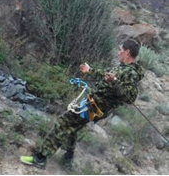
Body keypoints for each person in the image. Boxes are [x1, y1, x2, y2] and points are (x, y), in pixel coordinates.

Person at [20, 39, 145, 168]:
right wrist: (89, 70)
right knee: (73, 127)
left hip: (96, 108)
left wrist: (114, 81)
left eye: (120, 50)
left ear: (127, 52)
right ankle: (67, 161)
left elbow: (130, 98)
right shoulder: (121, 67)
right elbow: (105, 75)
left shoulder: (131, 74)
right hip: (91, 103)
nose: (118, 52)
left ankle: (40, 158)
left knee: (63, 123)